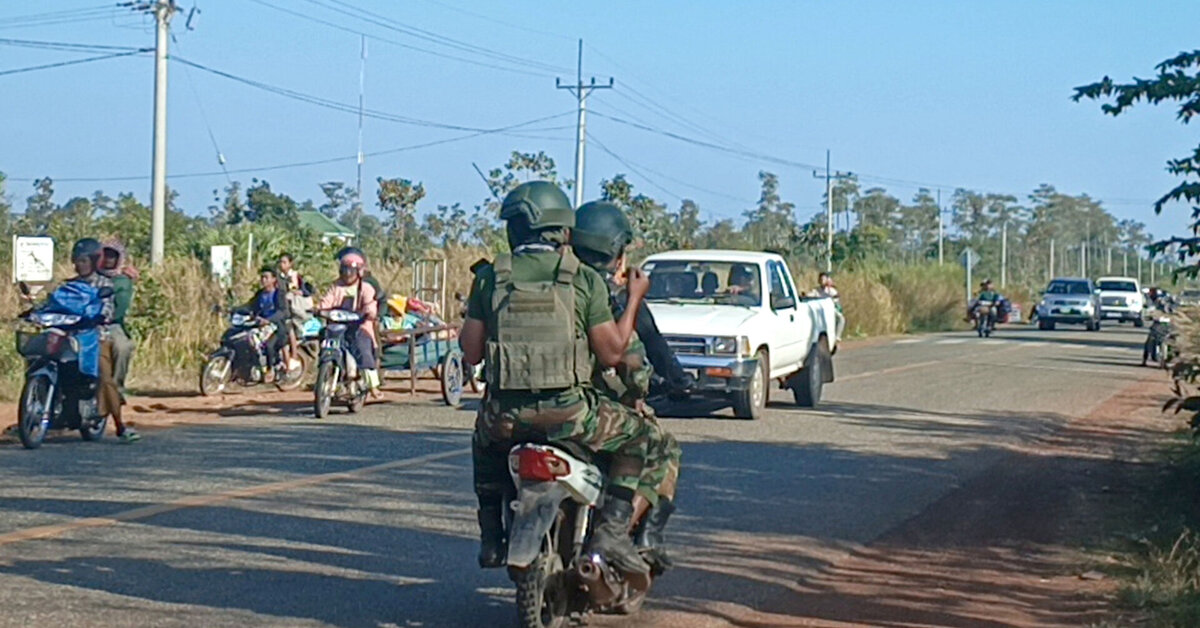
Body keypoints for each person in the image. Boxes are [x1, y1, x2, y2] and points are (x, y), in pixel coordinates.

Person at [460, 180, 656, 575]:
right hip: (571, 415)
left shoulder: (490, 278)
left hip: (505, 417)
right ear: (563, 231)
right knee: (640, 438)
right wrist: (635, 297)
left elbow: (471, 352)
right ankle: (612, 533)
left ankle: (491, 534)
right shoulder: (581, 278)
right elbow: (612, 353)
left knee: (483, 442)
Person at [572, 200, 684, 573]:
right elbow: (632, 363)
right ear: (617, 254)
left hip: (523, 411)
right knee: (660, 446)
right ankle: (631, 535)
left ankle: (494, 530)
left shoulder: (548, 285)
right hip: (588, 413)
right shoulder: (609, 298)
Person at [70, 239, 139, 443]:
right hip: (70, 331)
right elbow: (57, 302)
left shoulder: (111, 283)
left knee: (105, 372)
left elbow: (112, 309)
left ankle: (119, 422)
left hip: (96, 333)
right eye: (78, 260)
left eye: (85, 261)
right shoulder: (71, 284)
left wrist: (99, 316)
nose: (80, 265)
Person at [318, 250, 382, 397]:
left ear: (359, 272)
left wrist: (368, 312)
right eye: (344, 270)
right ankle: (326, 370)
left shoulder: (365, 288)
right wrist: (319, 309)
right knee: (324, 336)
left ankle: (373, 386)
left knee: (362, 348)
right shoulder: (335, 286)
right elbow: (326, 301)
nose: (347, 274)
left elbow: (370, 304)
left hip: (360, 326)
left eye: (351, 271)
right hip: (337, 325)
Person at [99, 239, 137, 403]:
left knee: (123, 347)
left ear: (118, 259)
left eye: (112, 256)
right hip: (82, 322)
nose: (108, 259)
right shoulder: (89, 275)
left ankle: (116, 389)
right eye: (105, 255)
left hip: (110, 324)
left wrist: (104, 317)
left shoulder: (122, 281)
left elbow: (120, 308)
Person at [246, 267, 291, 377]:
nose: (263, 280)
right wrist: (232, 310)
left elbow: (283, 312)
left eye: (266, 277)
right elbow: (249, 306)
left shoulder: (279, 294)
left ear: (273, 279)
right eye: (262, 277)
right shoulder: (260, 294)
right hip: (262, 326)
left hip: (277, 327)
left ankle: (271, 369)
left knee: (269, 345)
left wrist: (269, 320)